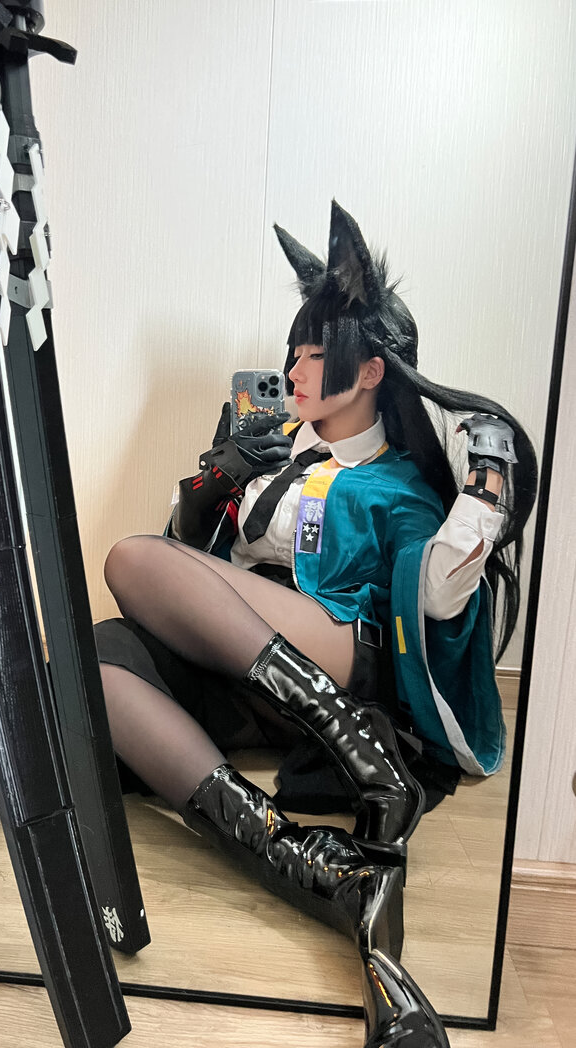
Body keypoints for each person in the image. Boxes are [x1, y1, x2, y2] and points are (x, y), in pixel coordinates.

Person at [93, 201, 537, 1048]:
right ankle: (306, 862)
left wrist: (483, 501)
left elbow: (437, 596)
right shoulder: (275, 453)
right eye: (292, 352)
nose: (292, 367)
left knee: (131, 560)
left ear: (370, 370)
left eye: (311, 353)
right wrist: (216, 483)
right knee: (91, 660)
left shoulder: (399, 486)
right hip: (245, 663)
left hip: (339, 652)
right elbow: (201, 565)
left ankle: (369, 756)